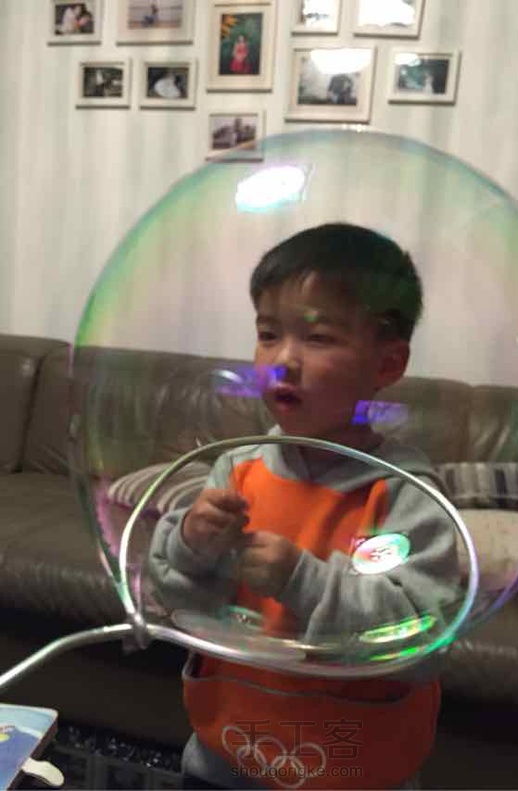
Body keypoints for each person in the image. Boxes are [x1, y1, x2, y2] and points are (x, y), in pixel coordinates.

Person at [149, 223, 460, 789]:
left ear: (387, 364)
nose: (283, 360)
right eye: (268, 334)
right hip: (225, 760)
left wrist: (302, 581)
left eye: (317, 338)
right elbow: (178, 602)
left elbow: (421, 642)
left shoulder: (402, 492)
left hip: (356, 771)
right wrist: (190, 545)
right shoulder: (238, 469)